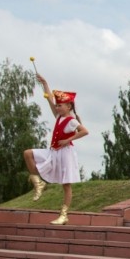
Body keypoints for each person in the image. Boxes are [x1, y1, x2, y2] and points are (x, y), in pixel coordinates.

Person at [23, 75, 89, 225]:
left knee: (66, 185)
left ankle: (64, 214)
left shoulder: (71, 120)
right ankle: (38, 181)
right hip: (53, 151)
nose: (57, 107)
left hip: (65, 154)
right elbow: (49, 99)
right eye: (57, 105)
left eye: (60, 105)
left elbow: (84, 131)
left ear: (69, 107)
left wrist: (67, 140)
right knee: (28, 153)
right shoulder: (59, 116)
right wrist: (45, 83)